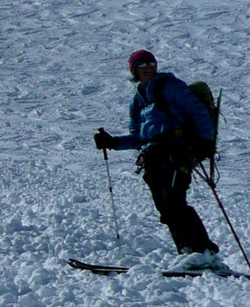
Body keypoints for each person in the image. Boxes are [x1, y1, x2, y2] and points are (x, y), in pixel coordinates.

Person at [94, 50, 220, 268]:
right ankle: (187, 253)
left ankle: (205, 251)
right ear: (134, 70)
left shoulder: (170, 86)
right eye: (142, 64)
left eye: (151, 62)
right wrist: (113, 142)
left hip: (175, 151)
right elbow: (138, 137)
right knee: (164, 207)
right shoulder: (138, 100)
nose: (148, 66)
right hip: (152, 157)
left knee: (174, 201)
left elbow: (197, 110)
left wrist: (206, 142)